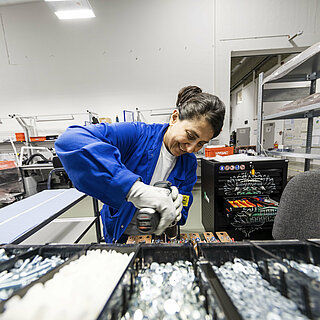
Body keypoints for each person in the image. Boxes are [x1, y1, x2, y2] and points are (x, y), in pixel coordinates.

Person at [55, 86, 225, 243]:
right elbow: (70, 140)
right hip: (122, 233)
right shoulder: (137, 135)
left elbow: (184, 209)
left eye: (201, 143)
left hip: (159, 237)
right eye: (190, 135)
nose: (191, 148)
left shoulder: (188, 163)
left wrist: (177, 211)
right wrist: (134, 190)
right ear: (174, 118)